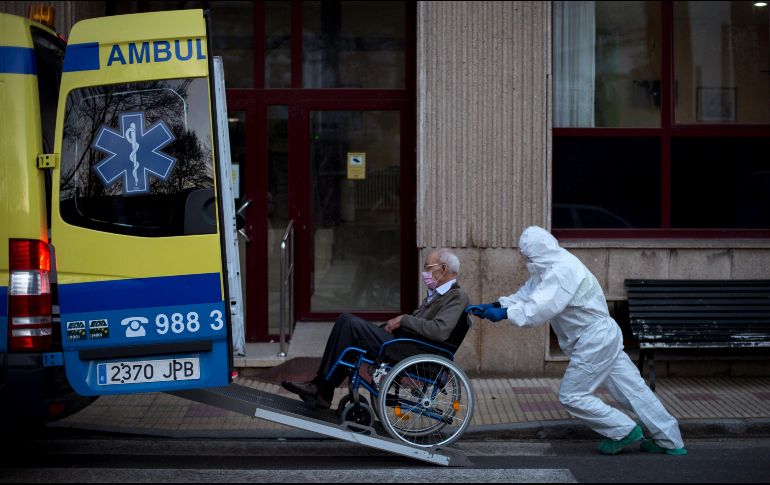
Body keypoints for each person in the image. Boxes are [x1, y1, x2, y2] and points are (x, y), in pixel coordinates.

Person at [466, 226, 687, 456]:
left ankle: (623, 430)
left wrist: (504, 313)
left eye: (528, 256)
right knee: (634, 391)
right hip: (601, 337)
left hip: (595, 340)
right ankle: (670, 440)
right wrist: (496, 305)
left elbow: (539, 307)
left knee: (572, 395)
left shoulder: (563, 270)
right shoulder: (548, 266)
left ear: (539, 252)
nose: (526, 261)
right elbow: (527, 295)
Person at [282, 248, 469, 409]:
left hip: (413, 350)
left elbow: (439, 330)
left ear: (443, 269)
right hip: (405, 343)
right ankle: (322, 387)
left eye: (428, 267)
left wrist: (404, 319)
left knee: (349, 323)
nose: (424, 273)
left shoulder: (457, 296)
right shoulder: (437, 294)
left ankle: (322, 389)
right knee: (346, 324)